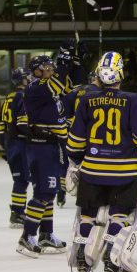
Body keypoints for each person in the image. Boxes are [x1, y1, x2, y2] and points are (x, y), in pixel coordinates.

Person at [65, 52, 137, 272]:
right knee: (119, 214)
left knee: (88, 214)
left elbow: (75, 141)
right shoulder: (131, 100)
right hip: (123, 171)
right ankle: (112, 253)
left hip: (92, 170)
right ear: (121, 75)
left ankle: (81, 254)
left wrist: (75, 162)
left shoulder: (87, 100)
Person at [16, 55, 68, 258]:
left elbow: (68, 86)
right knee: (44, 193)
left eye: (51, 66)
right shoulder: (36, 87)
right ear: (36, 70)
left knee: (49, 192)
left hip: (50, 146)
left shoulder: (47, 88)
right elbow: (59, 81)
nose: (50, 70)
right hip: (41, 147)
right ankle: (27, 235)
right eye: (46, 67)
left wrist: (76, 62)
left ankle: (46, 234)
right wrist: (65, 64)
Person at [54, 38, 88, 207]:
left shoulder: (79, 88)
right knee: (65, 159)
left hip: (77, 124)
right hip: (65, 124)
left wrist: (80, 58)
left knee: (79, 158)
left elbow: (80, 83)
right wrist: (70, 60)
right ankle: (61, 192)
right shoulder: (58, 68)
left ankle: (81, 189)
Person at [0, 67, 31, 228]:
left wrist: (3, 145)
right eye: (26, 77)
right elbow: (23, 123)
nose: (29, 79)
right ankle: (17, 213)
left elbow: (1, 123)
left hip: (12, 143)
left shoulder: (8, 98)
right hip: (20, 143)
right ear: (22, 80)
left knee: (21, 179)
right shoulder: (23, 96)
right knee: (22, 179)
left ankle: (17, 211)